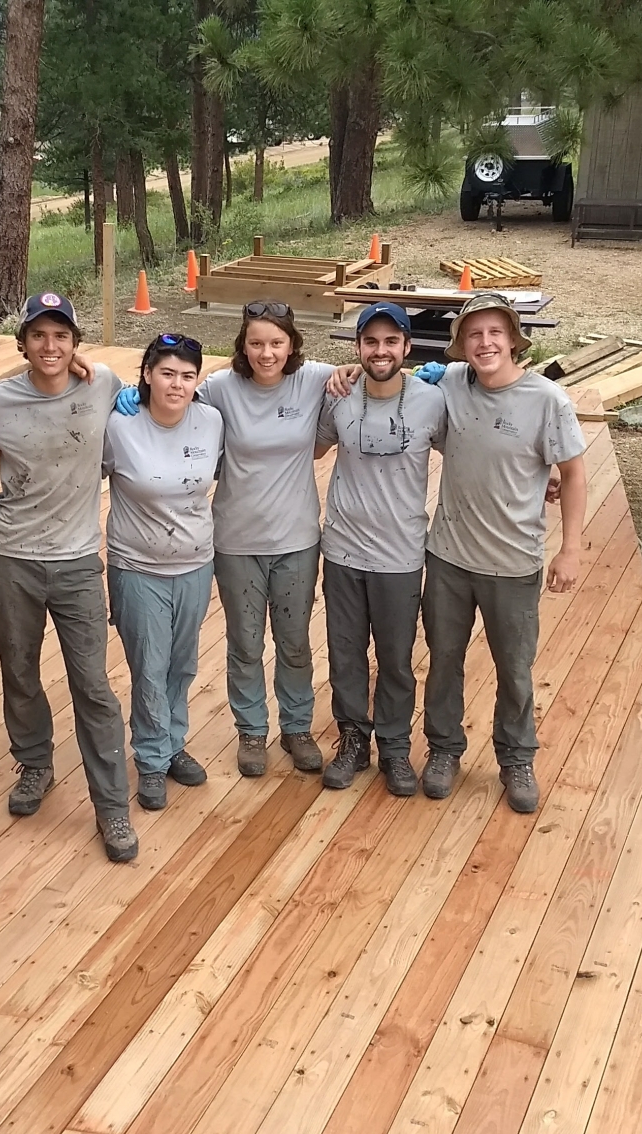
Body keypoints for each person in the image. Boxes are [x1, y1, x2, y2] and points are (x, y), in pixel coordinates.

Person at [0, 292, 139, 863]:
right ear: (23, 343)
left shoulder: (101, 383)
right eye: (39, 336)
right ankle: (34, 763)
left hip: (79, 559)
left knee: (92, 684)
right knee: (19, 667)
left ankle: (111, 805)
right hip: (12, 557)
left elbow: (152, 397)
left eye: (61, 336)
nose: (50, 346)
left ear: (76, 343)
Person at [421, 292, 588, 814]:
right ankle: (445, 749)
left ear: (514, 340)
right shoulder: (449, 383)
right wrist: (348, 375)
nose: (485, 342)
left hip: (514, 563)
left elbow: (575, 474)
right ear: (461, 345)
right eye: (474, 334)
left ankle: (517, 758)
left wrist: (571, 550)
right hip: (448, 556)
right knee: (444, 661)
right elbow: (399, 377)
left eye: (495, 333)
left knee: (514, 667)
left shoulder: (547, 401)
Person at [193, 301, 338, 778]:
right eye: (256, 343)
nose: (266, 352)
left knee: (295, 642)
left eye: (276, 342)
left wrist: (356, 368)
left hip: (296, 538)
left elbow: (358, 371)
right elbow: (172, 405)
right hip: (235, 540)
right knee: (245, 642)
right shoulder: (219, 389)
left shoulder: (314, 378)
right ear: (242, 345)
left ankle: (297, 727)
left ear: (292, 345)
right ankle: (251, 729)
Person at [315, 302, 447, 797]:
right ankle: (352, 739)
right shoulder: (340, 397)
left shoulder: (432, 401)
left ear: (407, 348)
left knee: (395, 657)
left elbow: (468, 449)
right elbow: (310, 447)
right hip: (343, 550)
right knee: (345, 653)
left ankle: (394, 746)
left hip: (401, 554)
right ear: (358, 349)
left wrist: (549, 474)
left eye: (391, 341)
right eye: (371, 342)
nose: (380, 350)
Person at [102, 334, 222, 811]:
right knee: (149, 667)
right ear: (147, 374)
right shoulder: (120, 424)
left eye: (188, 375)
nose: (177, 384)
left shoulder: (211, 420)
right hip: (137, 566)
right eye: (166, 373)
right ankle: (151, 761)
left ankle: (173, 744)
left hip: (195, 562)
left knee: (182, 663)